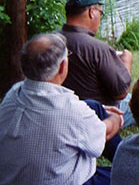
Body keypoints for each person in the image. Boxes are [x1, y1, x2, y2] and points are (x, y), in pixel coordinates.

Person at [0, 33, 124, 185]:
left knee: (94, 106)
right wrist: (115, 120)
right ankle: (132, 166)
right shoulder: (70, 111)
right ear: (63, 66)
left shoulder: (14, 93)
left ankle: (127, 160)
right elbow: (103, 135)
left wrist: (94, 112)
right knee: (130, 177)